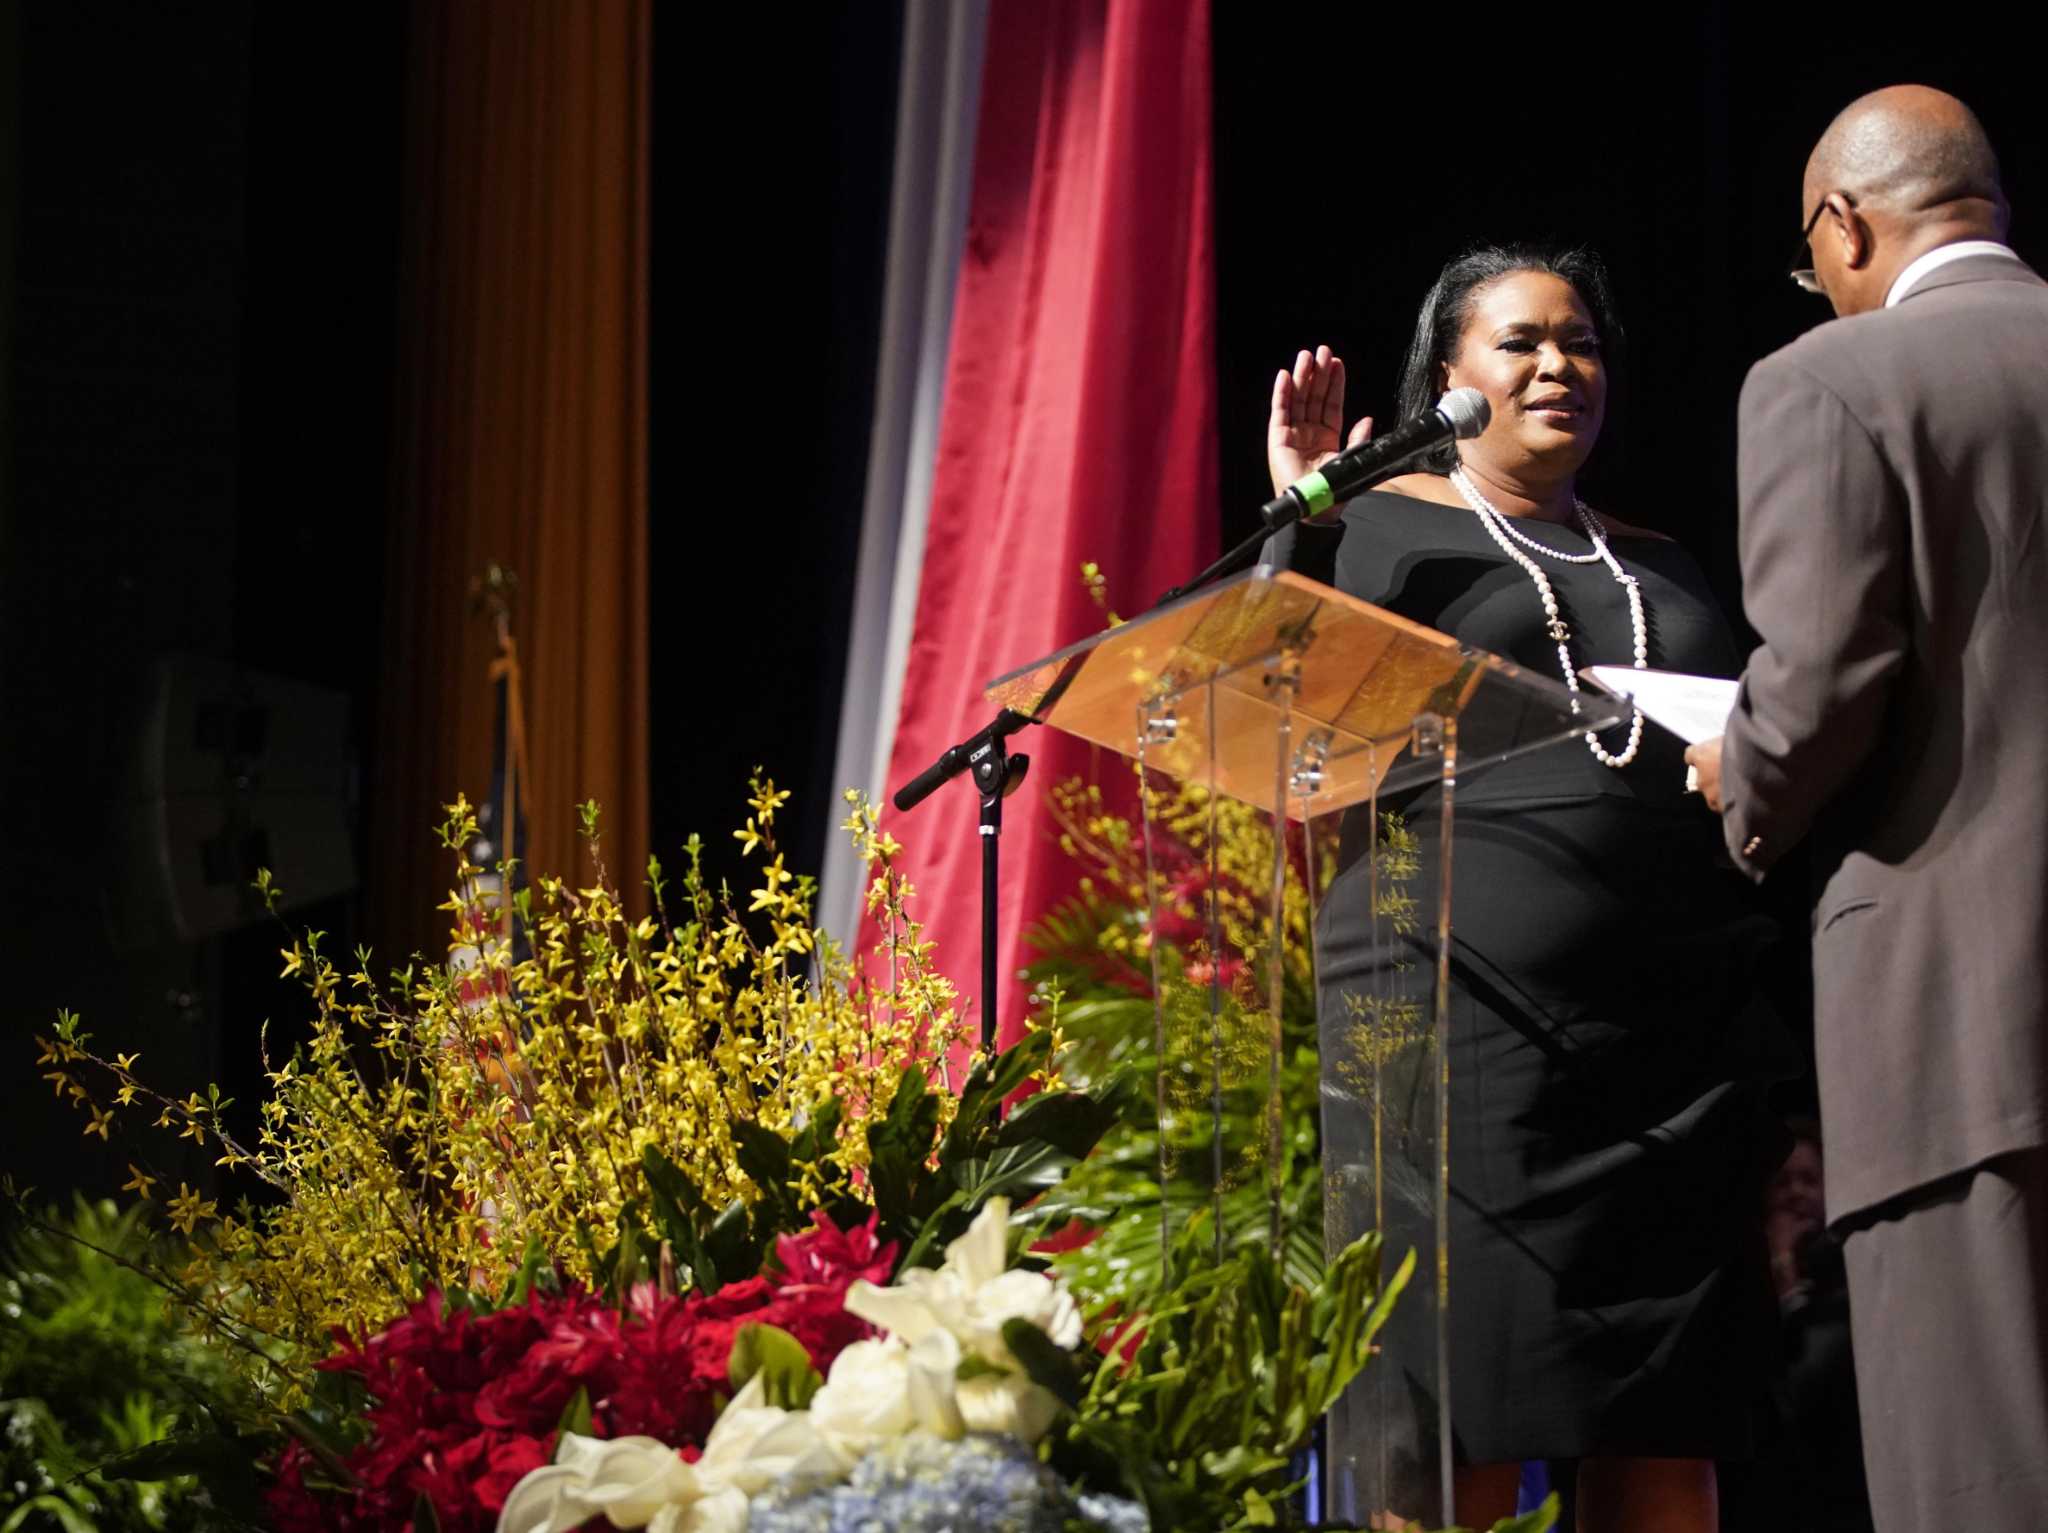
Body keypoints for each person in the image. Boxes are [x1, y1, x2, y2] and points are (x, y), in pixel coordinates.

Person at [1270, 245, 1784, 1532]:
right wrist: (1305, 519)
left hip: (1671, 1055)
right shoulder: (1377, 531)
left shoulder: (1660, 557)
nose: (1559, 364)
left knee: (1664, 1425)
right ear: (1448, 378)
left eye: (1581, 343)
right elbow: (1276, 709)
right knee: (1453, 1429)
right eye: (1519, 342)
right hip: (1458, 1043)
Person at [1685, 85, 2048, 1530]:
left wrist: (1743, 773)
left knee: (1984, 1478)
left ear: (1844, 225)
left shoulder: (1832, 378)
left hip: (1959, 1033)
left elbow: (1824, 679)